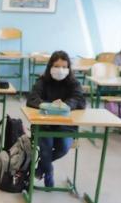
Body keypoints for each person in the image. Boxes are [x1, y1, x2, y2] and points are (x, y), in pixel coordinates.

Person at [26, 51, 86, 188]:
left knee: (63, 148)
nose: (60, 70)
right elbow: (32, 99)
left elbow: (79, 100)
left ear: (69, 68)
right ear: (50, 66)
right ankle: (49, 171)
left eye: (64, 67)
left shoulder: (73, 83)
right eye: (57, 66)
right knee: (46, 148)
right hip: (44, 124)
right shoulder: (42, 81)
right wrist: (47, 105)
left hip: (66, 125)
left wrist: (66, 106)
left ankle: (41, 168)